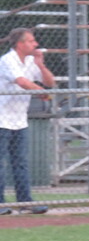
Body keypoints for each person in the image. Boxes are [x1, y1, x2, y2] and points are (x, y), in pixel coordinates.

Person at [0, 28, 55, 215]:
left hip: (19, 120)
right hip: (1, 119)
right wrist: (41, 94)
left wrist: (41, 65)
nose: (35, 44)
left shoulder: (31, 61)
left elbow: (50, 83)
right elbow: (22, 82)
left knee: (20, 163)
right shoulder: (8, 60)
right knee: (0, 163)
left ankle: (25, 202)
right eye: (31, 41)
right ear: (20, 44)